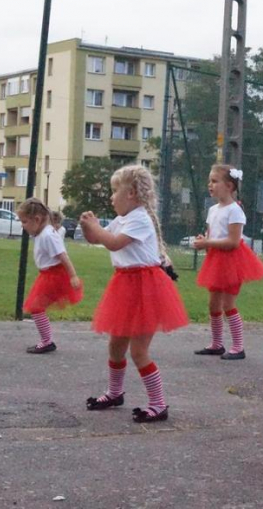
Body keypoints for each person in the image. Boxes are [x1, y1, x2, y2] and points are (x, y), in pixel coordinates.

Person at [80, 164, 188, 423]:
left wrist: (96, 229)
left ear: (131, 194)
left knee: (139, 351)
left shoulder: (139, 218)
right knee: (116, 345)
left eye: (115, 191)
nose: (111, 197)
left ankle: (158, 404)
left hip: (145, 289)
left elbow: (114, 242)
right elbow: (98, 239)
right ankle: (115, 393)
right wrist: (88, 228)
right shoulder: (123, 219)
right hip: (125, 286)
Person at [193, 164, 263, 360]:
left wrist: (208, 242)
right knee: (213, 304)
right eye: (210, 181)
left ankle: (238, 346)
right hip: (216, 260)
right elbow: (212, 235)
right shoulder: (212, 210)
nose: (210, 185)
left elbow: (234, 242)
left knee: (228, 304)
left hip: (232, 261)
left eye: (215, 181)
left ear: (229, 186)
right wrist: (205, 241)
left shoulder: (235, 210)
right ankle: (217, 344)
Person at [18, 198, 83, 354]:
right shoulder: (42, 233)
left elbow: (63, 256)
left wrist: (73, 276)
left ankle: (47, 341)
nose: (22, 225)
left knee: (36, 307)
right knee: (36, 308)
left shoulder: (48, 235)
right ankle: (46, 340)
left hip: (53, 276)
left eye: (25, 222)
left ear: (37, 219)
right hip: (47, 275)